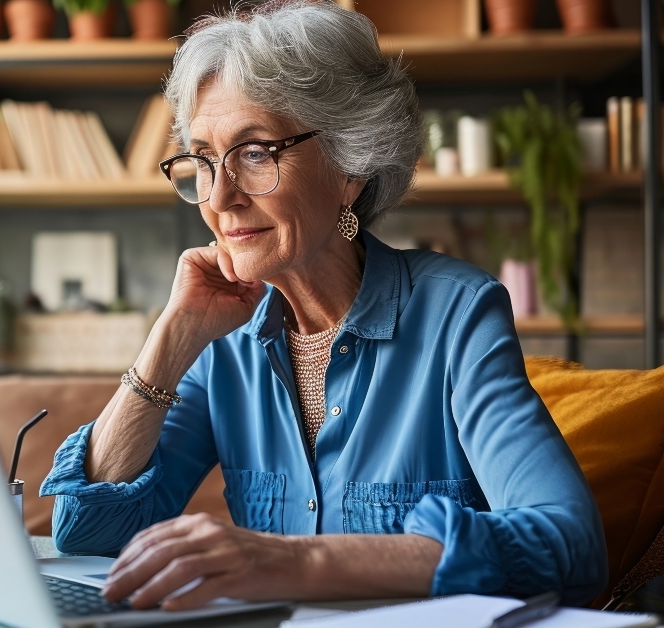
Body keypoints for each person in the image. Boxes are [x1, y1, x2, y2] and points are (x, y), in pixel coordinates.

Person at [40, 0, 607, 613]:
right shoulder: (220, 340)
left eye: (255, 153)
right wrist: (170, 340)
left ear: (350, 166)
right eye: (203, 160)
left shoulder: (457, 314)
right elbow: (86, 532)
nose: (221, 196)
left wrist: (293, 561)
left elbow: (569, 545)